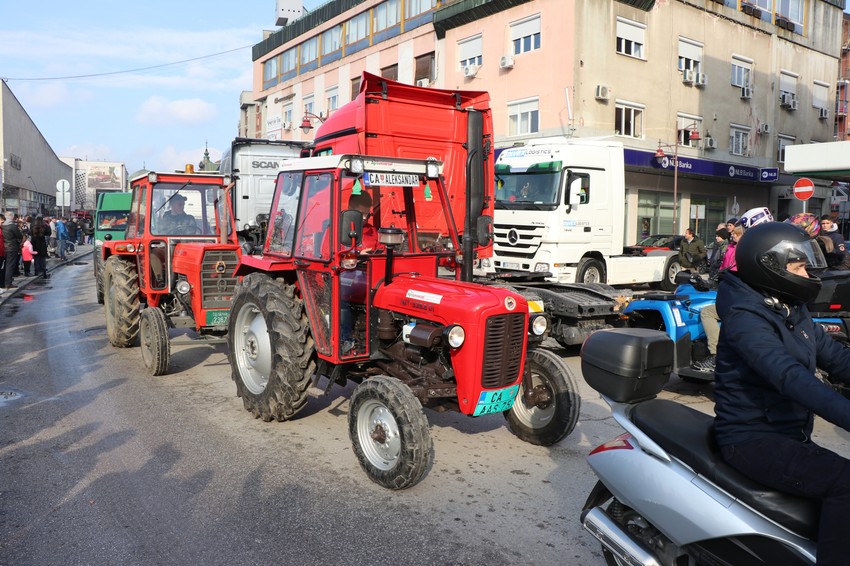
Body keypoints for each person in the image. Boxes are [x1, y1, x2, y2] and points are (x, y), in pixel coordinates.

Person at [713, 221, 850, 566]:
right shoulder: (745, 315)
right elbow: (788, 377)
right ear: (770, 265)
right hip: (751, 438)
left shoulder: (789, 306)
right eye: (799, 265)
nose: (807, 272)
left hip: (789, 434)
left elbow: (835, 356)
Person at [2, 211, 23, 291]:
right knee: (10, 265)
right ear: (11, 217)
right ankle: (8, 283)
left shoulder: (2, 225)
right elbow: (19, 235)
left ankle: (5, 281)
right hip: (12, 247)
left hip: (4, 246)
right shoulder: (12, 226)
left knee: (5, 265)